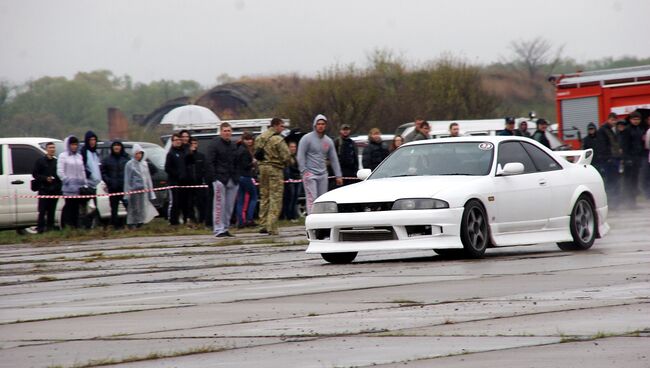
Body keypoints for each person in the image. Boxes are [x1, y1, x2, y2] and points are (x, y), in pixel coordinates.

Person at [297, 114, 343, 215]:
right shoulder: (306, 139)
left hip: (322, 174)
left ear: (325, 125)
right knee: (312, 198)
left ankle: (321, 221)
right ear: (315, 125)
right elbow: (300, 155)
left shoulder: (328, 141)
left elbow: (334, 159)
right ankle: (311, 220)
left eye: (323, 124)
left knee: (321, 199)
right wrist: (304, 171)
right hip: (310, 174)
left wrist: (338, 175)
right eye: (318, 124)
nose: (320, 126)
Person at [255, 118, 292, 235]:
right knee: (275, 198)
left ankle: (263, 224)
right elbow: (286, 156)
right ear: (276, 126)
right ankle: (272, 226)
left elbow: (256, 154)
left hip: (262, 169)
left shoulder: (259, 138)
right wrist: (289, 162)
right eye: (282, 126)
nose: (283, 128)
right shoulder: (278, 139)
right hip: (275, 169)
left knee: (264, 197)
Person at [208, 122, 241, 237]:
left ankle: (225, 228)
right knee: (219, 205)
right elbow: (210, 162)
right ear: (221, 131)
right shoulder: (214, 144)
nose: (227, 133)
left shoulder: (233, 145)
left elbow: (237, 162)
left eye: (229, 131)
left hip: (232, 179)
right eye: (225, 131)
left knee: (229, 206)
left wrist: (237, 176)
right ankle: (218, 229)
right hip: (220, 179)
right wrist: (214, 178)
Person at [124, 144, 157, 228]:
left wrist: (151, 191)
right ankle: (132, 223)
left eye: (140, 153)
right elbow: (127, 179)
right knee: (134, 208)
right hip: (134, 191)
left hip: (144, 190)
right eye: (136, 153)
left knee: (143, 208)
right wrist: (127, 193)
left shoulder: (144, 164)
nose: (138, 155)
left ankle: (141, 223)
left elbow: (148, 178)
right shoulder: (129, 165)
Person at [57, 136, 87, 229]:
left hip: (79, 188)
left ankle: (76, 226)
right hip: (68, 188)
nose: (74, 146)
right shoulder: (63, 156)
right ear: (68, 145)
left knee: (76, 209)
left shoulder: (79, 156)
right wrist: (67, 180)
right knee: (69, 207)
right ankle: (68, 226)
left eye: (75, 144)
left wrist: (85, 183)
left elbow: (82, 171)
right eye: (72, 144)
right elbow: (60, 171)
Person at [32, 142, 62, 233]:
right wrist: (45, 178)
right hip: (43, 190)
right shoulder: (40, 161)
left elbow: (59, 176)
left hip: (54, 190)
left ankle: (50, 229)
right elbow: (35, 174)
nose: (52, 149)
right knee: (42, 211)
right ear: (46, 149)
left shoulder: (56, 162)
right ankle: (40, 229)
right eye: (50, 147)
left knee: (51, 211)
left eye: (53, 147)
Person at [594, 113, 623, 207]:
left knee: (616, 180)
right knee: (610, 181)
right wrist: (607, 158)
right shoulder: (603, 130)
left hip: (615, 158)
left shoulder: (614, 130)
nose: (613, 122)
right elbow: (602, 146)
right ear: (608, 119)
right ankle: (609, 202)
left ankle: (616, 202)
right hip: (608, 159)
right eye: (612, 120)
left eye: (615, 120)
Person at [101, 141, 129, 229]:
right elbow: (103, 172)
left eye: (118, 145)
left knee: (128, 206)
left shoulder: (125, 159)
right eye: (115, 146)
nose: (116, 147)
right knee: (114, 208)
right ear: (112, 148)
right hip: (113, 188)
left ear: (121, 147)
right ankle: (115, 226)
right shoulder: (107, 160)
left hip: (123, 187)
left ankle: (129, 224)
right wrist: (108, 181)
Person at [619, 111, 645, 208]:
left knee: (635, 181)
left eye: (638, 119)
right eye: (634, 119)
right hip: (629, 160)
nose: (636, 121)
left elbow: (640, 145)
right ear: (630, 120)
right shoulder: (627, 130)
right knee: (628, 182)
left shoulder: (639, 129)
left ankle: (633, 202)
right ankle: (628, 202)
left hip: (637, 160)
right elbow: (624, 146)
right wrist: (627, 159)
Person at [165, 133, 191, 225]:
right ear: (172, 142)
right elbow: (167, 168)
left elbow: (189, 163)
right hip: (174, 182)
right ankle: (173, 221)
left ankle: (184, 219)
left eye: (179, 140)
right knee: (174, 203)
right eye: (176, 140)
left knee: (184, 202)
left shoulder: (184, 152)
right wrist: (177, 174)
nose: (178, 141)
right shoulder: (170, 153)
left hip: (184, 182)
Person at [235, 132, 258, 228]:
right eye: (247, 139)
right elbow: (245, 165)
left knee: (240, 199)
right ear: (243, 140)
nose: (249, 141)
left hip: (239, 177)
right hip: (246, 176)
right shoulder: (244, 151)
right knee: (254, 197)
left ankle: (240, 221)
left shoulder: (238, 149)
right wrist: (253, 163)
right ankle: (249, 218)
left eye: (251, 139)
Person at [80, 131, 102, 228]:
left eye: (94, 140)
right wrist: (89, 174)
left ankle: (91, 226)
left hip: (96, 185)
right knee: (87, 208)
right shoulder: (84, 151)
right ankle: (85, 226)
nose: (93, 142)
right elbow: (82, 166)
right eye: (91, 140)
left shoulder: (96, 153)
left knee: (94, 208)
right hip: (87, 185)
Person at [187, 137, 209, 226]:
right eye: (192, 144)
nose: (194, 146)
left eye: (195, 144)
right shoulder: (187, 156)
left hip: (200, 183)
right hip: (189, 183)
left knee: (201, 202)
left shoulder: (201, 156)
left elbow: (205, 168)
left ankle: (202, 219)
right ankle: (192, 219)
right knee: (190, 203)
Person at [282, 141, 301, 221]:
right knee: (290, 198)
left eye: (294, 147)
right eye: (291, 147)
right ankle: (289, 216)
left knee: (296, 198)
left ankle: (294, 215)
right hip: (290, 180)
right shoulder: (287, 157)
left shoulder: (296, 157)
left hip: (298, 179)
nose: (293, 148)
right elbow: (289, 169)